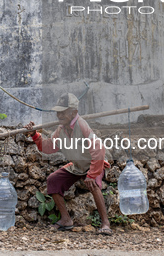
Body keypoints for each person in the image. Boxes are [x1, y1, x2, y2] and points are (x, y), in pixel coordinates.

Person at [24, 93, 112, 235]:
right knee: (53, 180)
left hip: (94, 164)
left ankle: (105, 224)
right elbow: (48, 147)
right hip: (77, 165)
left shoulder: (82, 125)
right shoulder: (61, 129)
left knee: (93, 184)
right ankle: (66, 220)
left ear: (73, 113)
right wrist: (34, 134)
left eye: (63, 112)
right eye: (58, 112)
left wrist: (91, 175)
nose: (59, 115)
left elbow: (99, 150)